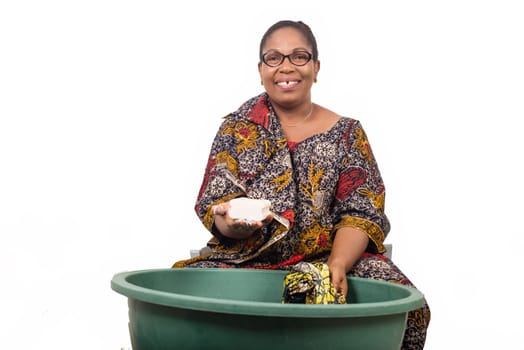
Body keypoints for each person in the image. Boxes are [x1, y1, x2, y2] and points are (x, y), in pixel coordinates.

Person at [173, 20, 430, 349]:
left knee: (411, 307)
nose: (286, 67)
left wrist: (337, 264)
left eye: (298, 56)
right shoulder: (237, 130)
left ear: (316, 67)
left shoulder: (348, 134)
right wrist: (236, 225)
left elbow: (361, 211)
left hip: (328, 257)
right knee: (182, 301)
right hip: (249, 259)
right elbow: (219, 207)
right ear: (260, 68)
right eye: (274, 57)